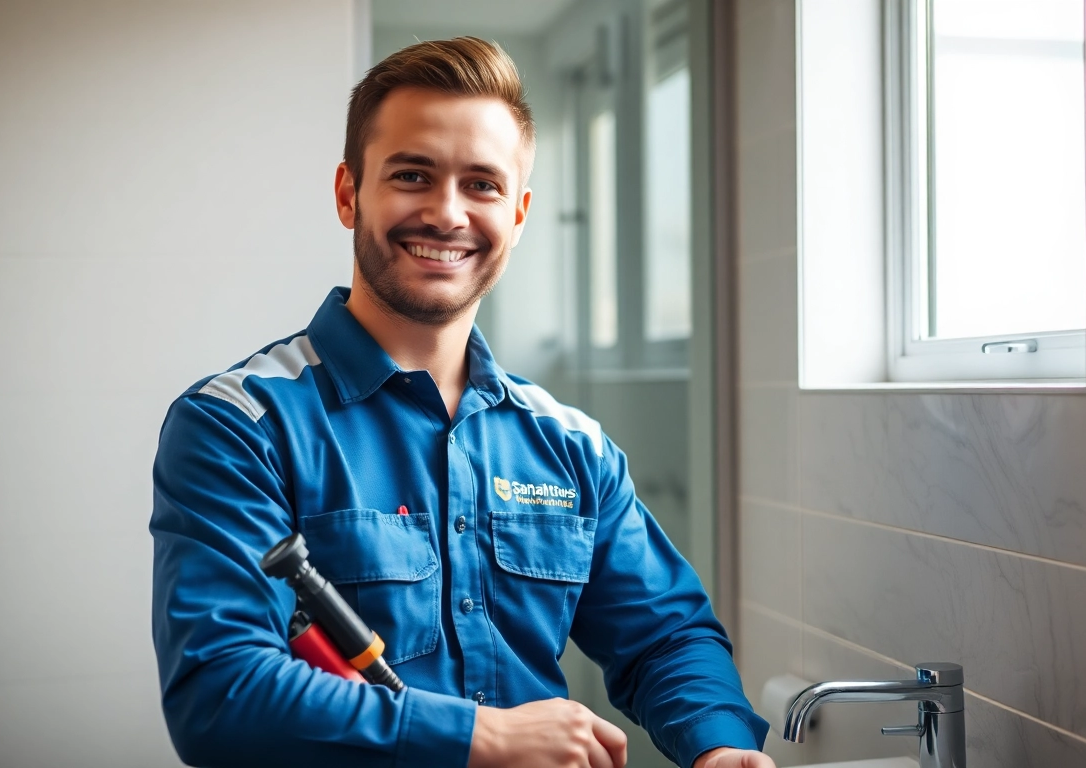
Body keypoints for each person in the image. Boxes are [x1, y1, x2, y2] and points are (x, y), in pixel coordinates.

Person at [150, 37, 773, 768]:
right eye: (413, 175)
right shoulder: (237, 426)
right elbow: (220, 694)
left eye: (482, 184)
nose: (447, 214)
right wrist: (485, 738)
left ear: (518, 212)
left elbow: (666, 637)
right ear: (350, 193)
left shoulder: (573, 448)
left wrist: (720, 747)